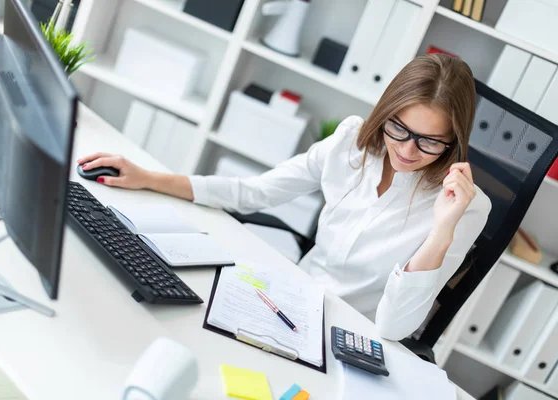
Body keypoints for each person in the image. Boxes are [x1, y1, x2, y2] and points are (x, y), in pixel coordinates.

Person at [78, 54, 491, 341]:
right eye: (398, 129)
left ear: (455, 140)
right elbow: (256, 191)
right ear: (385, 112)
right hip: (292, 303)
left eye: (430, 141)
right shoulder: (352, 140)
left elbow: (394, 327)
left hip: (352, 336)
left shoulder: (467, 206)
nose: (406, 149)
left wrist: (442, 229)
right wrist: (149, 177)